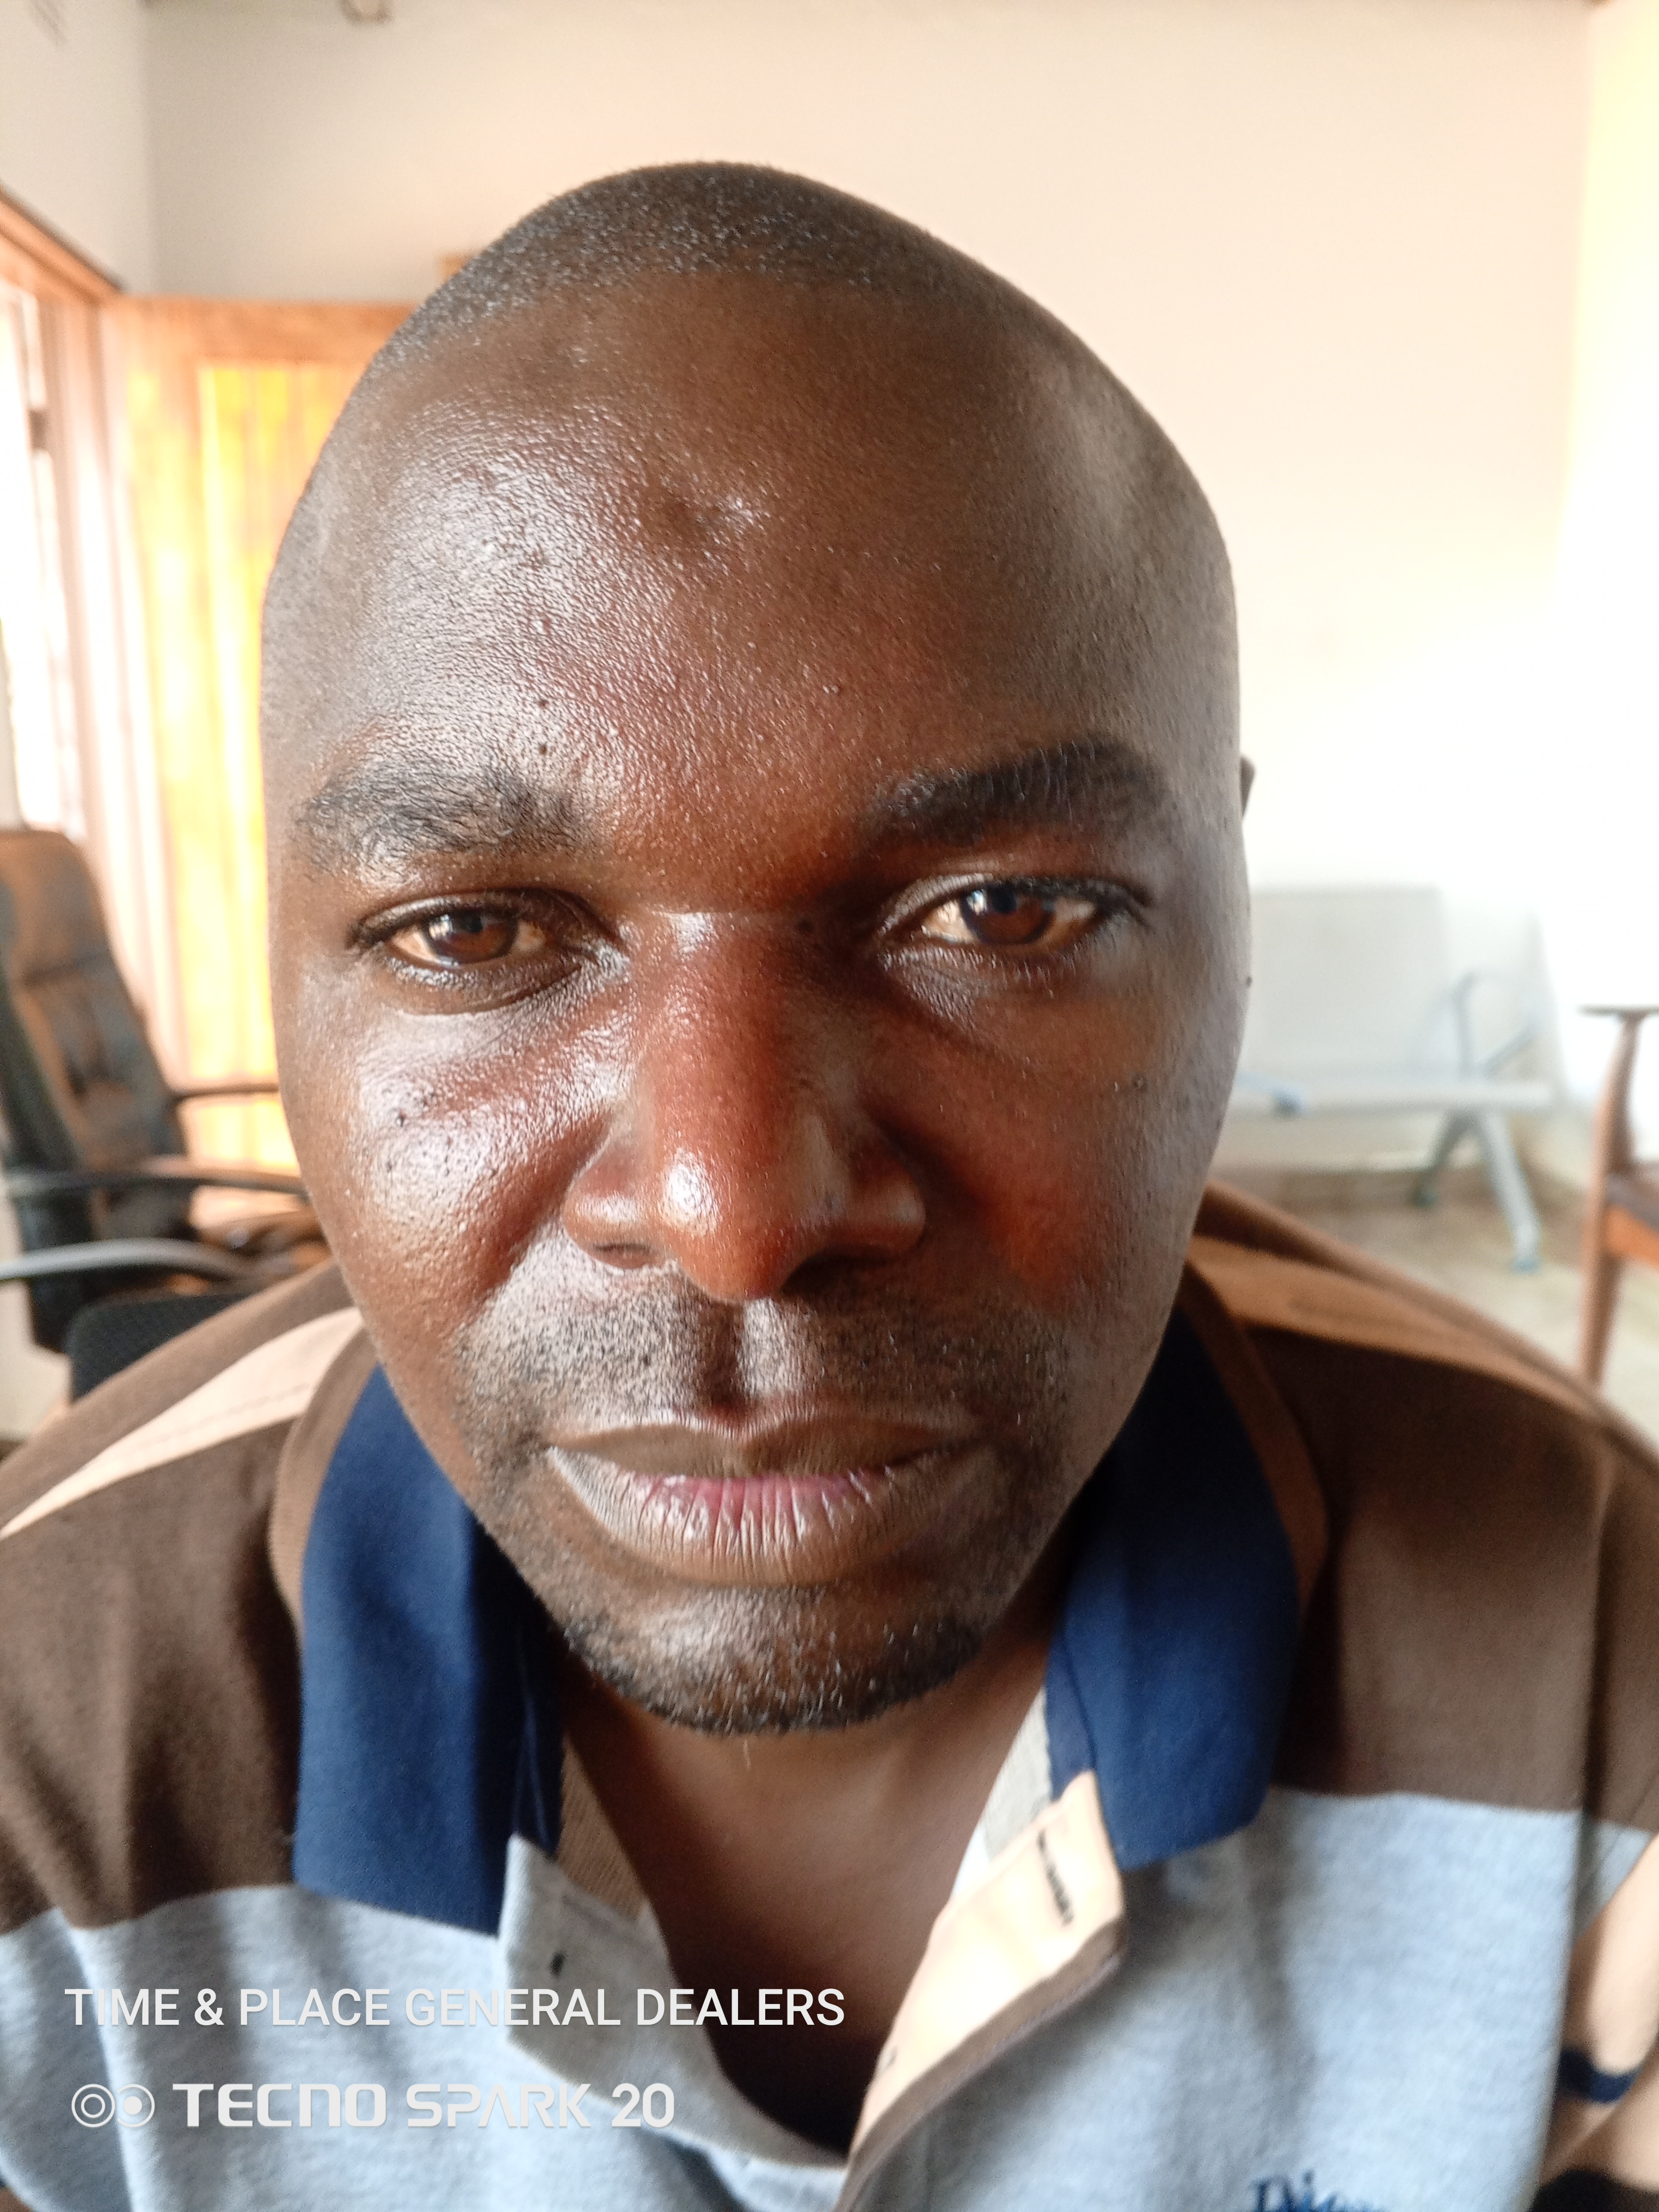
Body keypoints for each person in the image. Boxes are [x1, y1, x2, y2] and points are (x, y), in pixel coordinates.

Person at [1, 164, 1655, 2212]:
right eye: (473, 932)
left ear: (1227, 925)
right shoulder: (39, 1757)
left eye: (1003, 914)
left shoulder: (1598, 1659)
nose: (734, 1214)